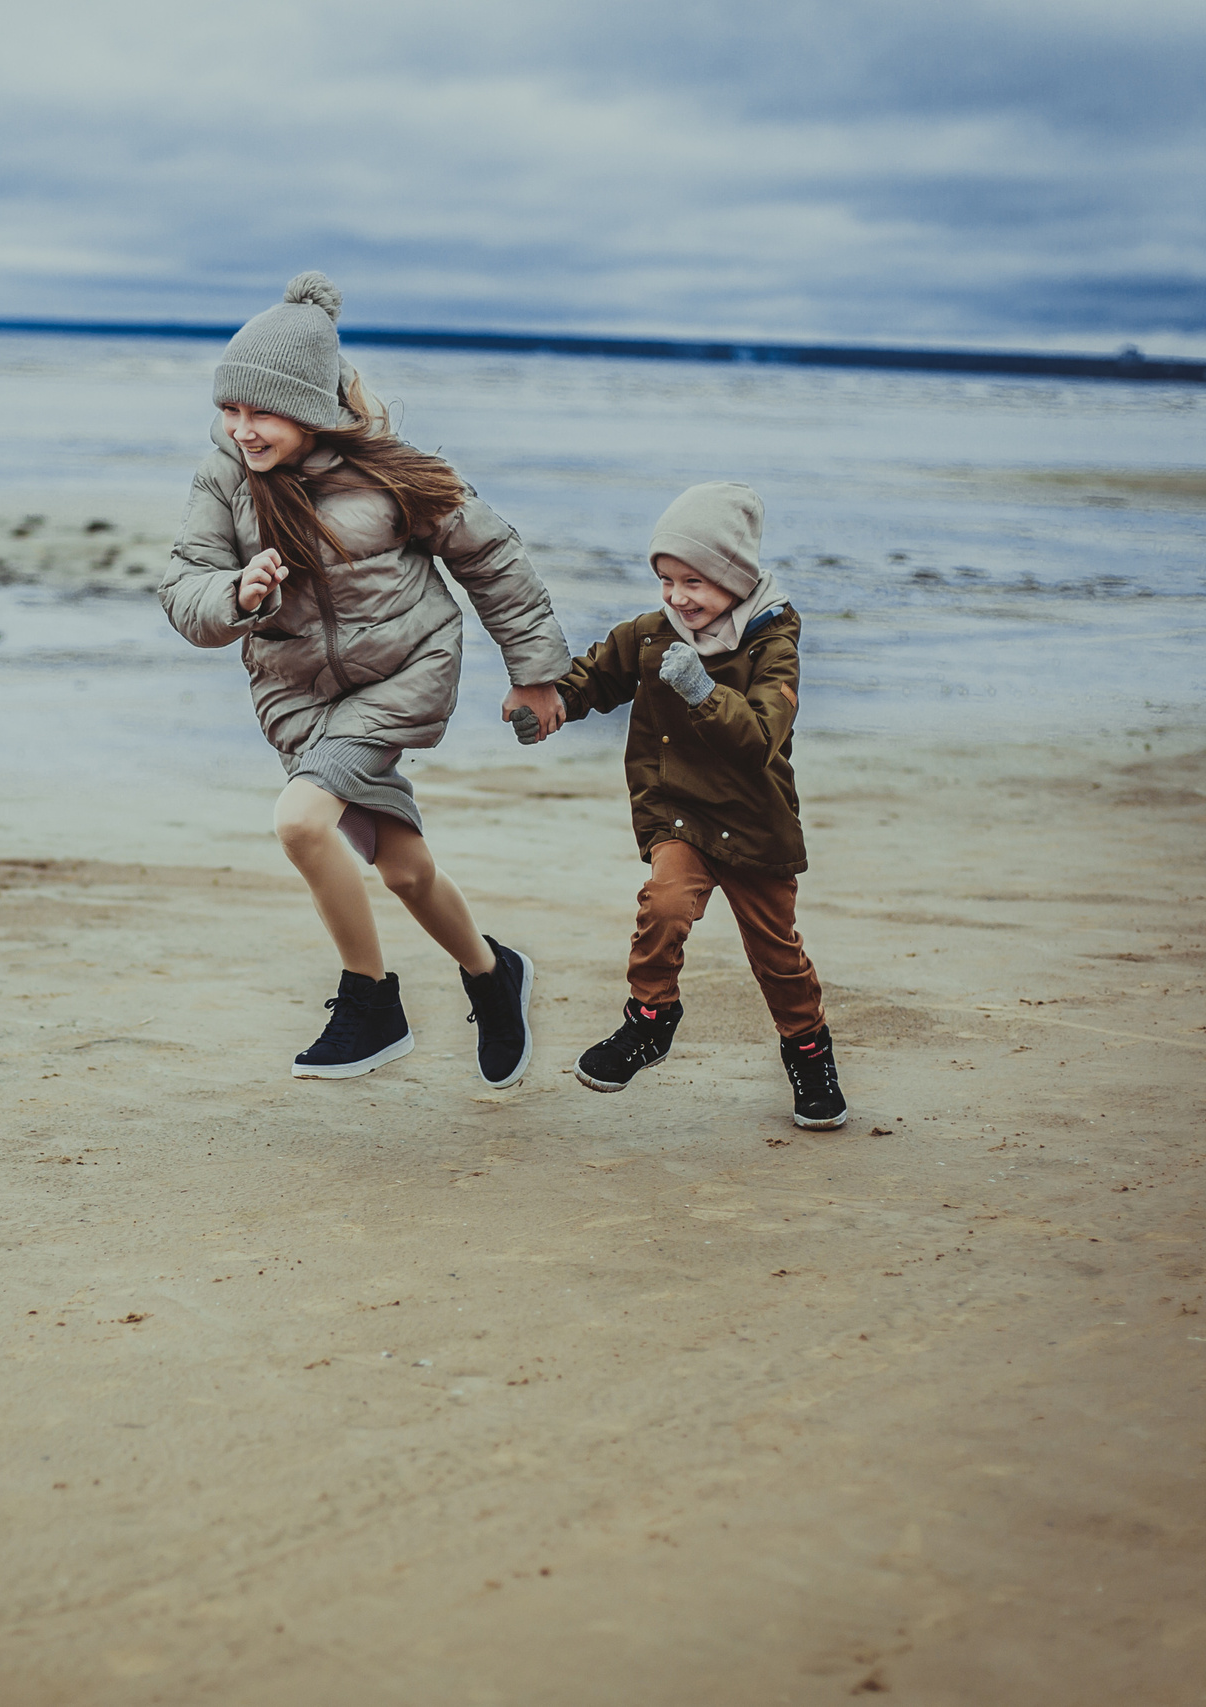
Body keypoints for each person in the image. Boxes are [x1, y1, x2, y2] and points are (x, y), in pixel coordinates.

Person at [157, 272, 573, 1085]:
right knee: (406, 870)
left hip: (404, 675)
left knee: (300, 821)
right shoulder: (224, 482)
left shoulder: (397, 475)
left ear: (311, 404)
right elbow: (183, 586)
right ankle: (495, 975)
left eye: (261, 410)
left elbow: (492, 560)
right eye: (229, 410)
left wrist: (537, 675)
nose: (241, 429)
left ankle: (371, 1000)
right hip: (298, 698)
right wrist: (236, 594)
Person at [545, 482, 848, 1129]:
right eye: (666, 580)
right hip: (679, 812)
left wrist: (703, 691)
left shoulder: (773, 645)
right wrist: (552, 707)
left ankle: (808, 1050)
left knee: (777, 954)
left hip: (754, 823)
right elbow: (598, 674)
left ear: (736, 579)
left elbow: (765, 733)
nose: (679, 597)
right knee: (666, 905)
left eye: (695, 582)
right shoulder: (654, 635)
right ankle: (650, 1021)